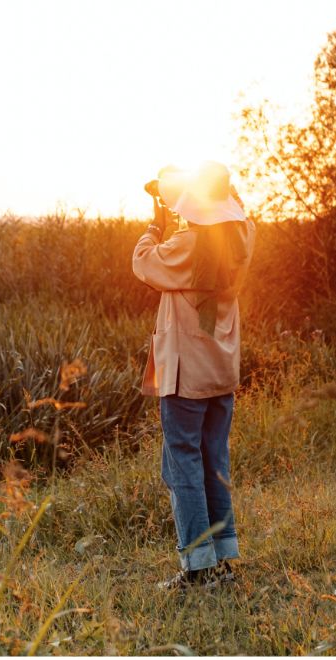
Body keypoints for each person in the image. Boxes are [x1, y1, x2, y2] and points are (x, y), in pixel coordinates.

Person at [132, 161, 255, 592]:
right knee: (213, 462)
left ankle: (197, 569)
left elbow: (144, 263)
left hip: (187, 371)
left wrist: (156, 222)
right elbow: (231, 209)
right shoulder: (243, 236)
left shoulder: (187, 243)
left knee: (182, 464)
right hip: (221, 366)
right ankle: (223, 560)